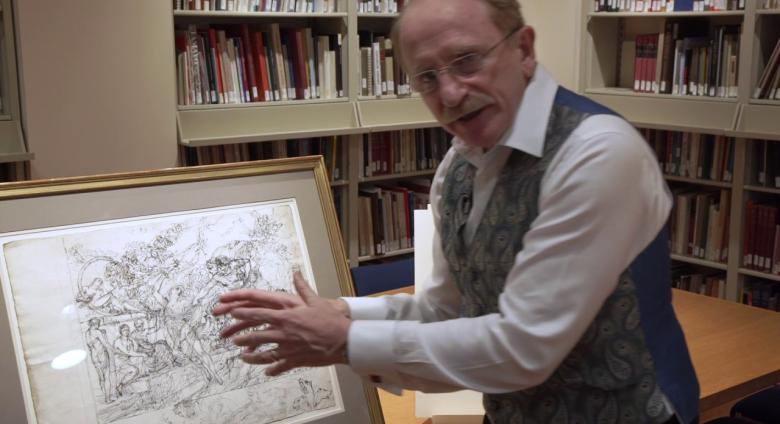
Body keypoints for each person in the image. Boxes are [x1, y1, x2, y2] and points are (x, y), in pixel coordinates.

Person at [213, 0, 700, 422]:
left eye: (467, 61)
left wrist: (345, 340)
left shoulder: (597, 152)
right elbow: (445, 311)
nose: (448, 95)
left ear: (524, 49)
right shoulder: (460, 164)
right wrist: (343, 311)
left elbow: (523, 348)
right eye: (427, 77)